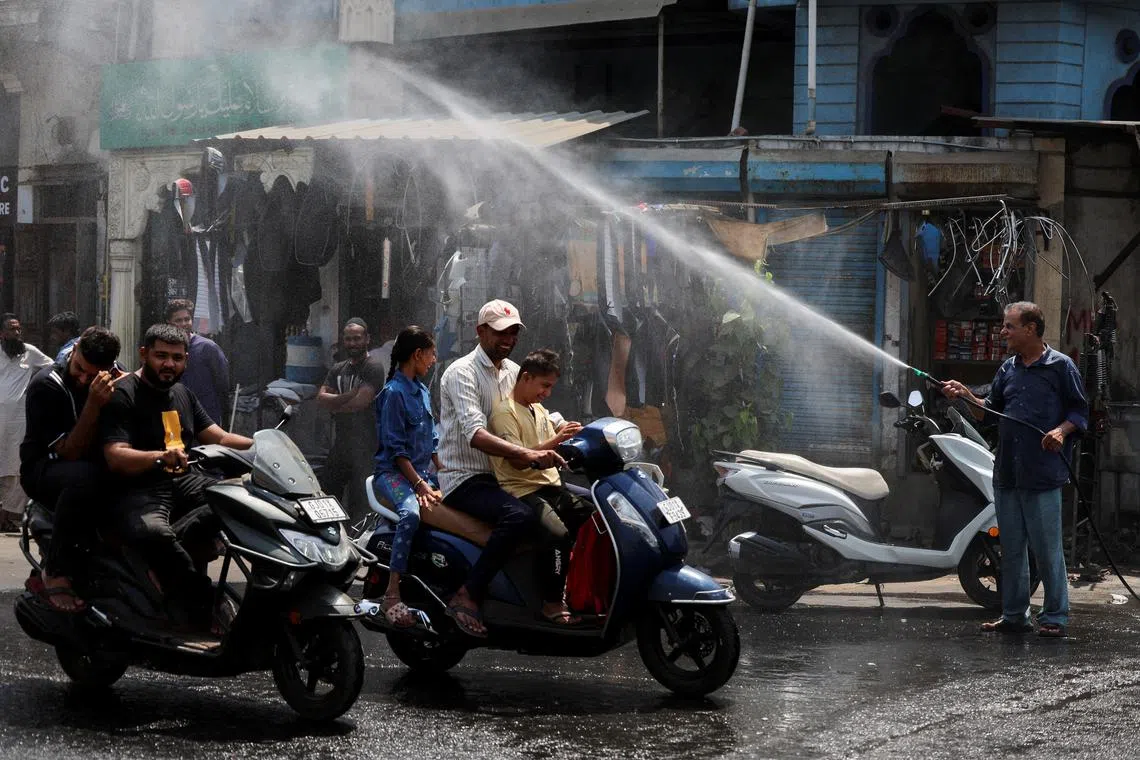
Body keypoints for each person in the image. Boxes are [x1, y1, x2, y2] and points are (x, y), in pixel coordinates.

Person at [942, 301, 1088, 638]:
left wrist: (1060, 431)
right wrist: (965, 396)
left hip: (1042, 476)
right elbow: (988, 415)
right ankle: (1014, 616)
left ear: (1031, 329)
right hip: (1007, 474)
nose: (1003, 331)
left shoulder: (1061, 367)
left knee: (1046, 549)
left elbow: (1080, 414)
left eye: (1009, 326)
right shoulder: (1008, 369)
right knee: (1012, 548)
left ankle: (1055, 616)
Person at [100, 324, 253, 629]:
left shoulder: (181, 392)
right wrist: (159, 457)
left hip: (182, 479)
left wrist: (263, 446)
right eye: (161, 356)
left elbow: (218, 437)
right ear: (144, 354)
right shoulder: (123, 393)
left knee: (238, 500)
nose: (169, 364)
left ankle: (164, 559)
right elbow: (115, 455)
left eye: (176, 357)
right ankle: (201, 602)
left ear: (186, 360)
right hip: (139, 488)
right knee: (157, 534)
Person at [436, 299, 564, 637]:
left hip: (506, 475)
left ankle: (547, 594)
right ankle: (469, 594)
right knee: (519, 516)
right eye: (500, 332)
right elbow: (475, 434)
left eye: (513, 333)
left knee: (573, 507)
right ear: (480, 332)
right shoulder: (461, 373)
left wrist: (563, 426)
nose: (507, 339)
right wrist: (529, 453)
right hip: (466, 478)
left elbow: (530, 406)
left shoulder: (512, 370)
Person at [20, 326, 122, 612]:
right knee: (84, 478)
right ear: (74, 351)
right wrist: (92, 403)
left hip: (95, 465)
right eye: (79, 369)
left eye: (92, 375)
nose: (83, 378)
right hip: (45, 468)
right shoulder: (46, 384)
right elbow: (69, 452)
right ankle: (55, 569)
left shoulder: (116, 377)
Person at [490, 349, 587, 625]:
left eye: (550, 387)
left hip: (551, 486)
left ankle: (583, 590)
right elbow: (519, 461)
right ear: (526, 377)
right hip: (522, 490)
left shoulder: (539, 409)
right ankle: (552, 602)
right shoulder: (504, 412)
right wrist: (558, 439)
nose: (547, 393)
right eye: (544, 386)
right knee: (557, 534)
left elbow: (555, 439)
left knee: (596, 518)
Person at [372, 326, 443, 628]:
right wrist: (420, 484)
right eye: (431, 353)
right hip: (393, 476)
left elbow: (433, 441)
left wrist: (447, 473)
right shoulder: (393, 394)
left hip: (423, 473)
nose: (434, 359)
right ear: (417, 355)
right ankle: (391, 593)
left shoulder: (423, 391)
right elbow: (397, 451)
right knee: (411, 515)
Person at [317, 318, 385, 522]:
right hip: (341, 444)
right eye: (348, 339)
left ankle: (359, 547)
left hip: (366, 447)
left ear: (367, 339)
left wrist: (335, 405)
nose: (353, 343)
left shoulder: (373, 367)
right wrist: (347, 396)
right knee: (327, 494)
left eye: (357, 338)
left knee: (360, 503)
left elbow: (361, 403)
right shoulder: (338, 368)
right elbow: (321, 399)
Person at [0, 314, 53, 532]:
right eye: (12, 330)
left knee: (14, 463)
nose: (17, 333)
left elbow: (53, 366)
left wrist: (36, 388)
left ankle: (10, 515)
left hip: (18, 420)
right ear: (2, 334)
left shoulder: (30, 353)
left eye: (19, 329)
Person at [166, 299, 231, 427]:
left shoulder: (208, 348)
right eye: (178, 320)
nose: (184, 324)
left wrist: (224, 423)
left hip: (205, 421)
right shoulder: (164, 350)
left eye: (187, 319)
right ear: (169, 323)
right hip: (174, 420)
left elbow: (223, 387)